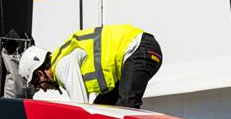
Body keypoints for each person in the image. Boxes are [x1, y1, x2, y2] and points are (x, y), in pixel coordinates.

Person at [18, 24, 162, 108]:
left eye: (36, 83)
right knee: (104, 110)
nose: (42, 89)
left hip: (138, 50)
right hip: (139, 52)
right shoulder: (62, 61)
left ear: (39, 73)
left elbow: (82, 109)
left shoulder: (61, 66)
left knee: (125, 107)